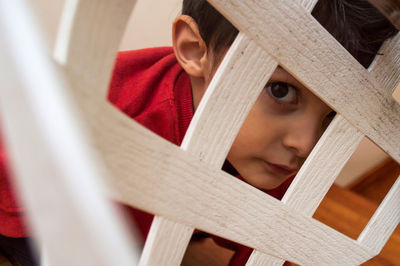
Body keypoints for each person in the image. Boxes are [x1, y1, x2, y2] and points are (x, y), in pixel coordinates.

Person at [0, 0, 397, 265]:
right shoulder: (121, 109)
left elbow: (265, 230)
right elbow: (20, 176)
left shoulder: (261, 153)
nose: (305, 144)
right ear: (194, 50)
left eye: (329, 119)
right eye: (281, 90)